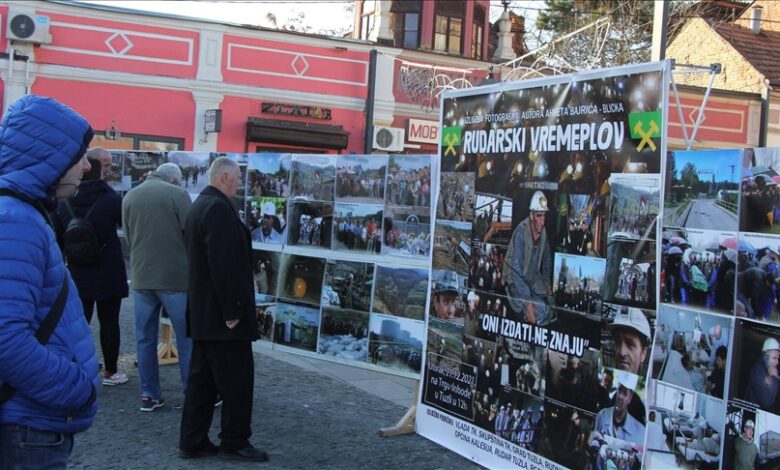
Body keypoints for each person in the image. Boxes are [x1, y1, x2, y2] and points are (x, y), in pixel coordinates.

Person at [0, 95, 98, 468]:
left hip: (28, 422)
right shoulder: (16, 221)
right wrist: (75, 389)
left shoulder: (21, 214)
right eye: (79, 156)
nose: (86, 166)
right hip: (28, 426)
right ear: (49, 158)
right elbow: (6, 337)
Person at [179, 157, 267, 462]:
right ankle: (234, 440)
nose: (241, 182)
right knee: (237, 381)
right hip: (222, 318)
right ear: (225, 177)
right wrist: (233, 312)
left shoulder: (202, 205)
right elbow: (223, 266)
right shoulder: (217, 209)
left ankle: (193, 440)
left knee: (202, 381)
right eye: (239, 177)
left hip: (205, 313)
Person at [55, 147, 129, 386]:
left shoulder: (64, 201)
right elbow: (123, 223)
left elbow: (58, 236)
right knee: (110, 321)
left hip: (77, 268)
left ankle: (78, 364)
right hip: (108, 268)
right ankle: (110, 371)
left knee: (79, 321)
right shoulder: (110, 199)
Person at [122, 162, 193, 412]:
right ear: (175, 180)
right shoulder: (178, 195)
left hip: (142, 277)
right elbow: (191, 234)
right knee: (186, 338)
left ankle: (149, 394)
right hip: (175, 277)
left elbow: (129, 237)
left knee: (144, 338)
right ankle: (192, 392)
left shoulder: (131, 195)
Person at [504, 191, 555, 326]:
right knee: (533, 308)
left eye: (544, 216)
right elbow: (515, 272)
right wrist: (528, 303)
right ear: (531, 215)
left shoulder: (543, 232)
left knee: (550, 303)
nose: (542, 222)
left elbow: (547, 260)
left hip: (531, 276)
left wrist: (546, 281)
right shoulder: (521, 232)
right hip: (515, 280)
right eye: (539, 216)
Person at [593, 371, 645, 446]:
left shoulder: (639, 432)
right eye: (619, 390)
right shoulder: (602, 415)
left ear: (630, 398)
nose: (620, 397)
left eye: (625, 393)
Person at [744, 337, 780, 411]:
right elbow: (766, 402)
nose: (777, 363)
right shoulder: (758, 371)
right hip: (756, 417)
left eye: (778, 358)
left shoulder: (767, 369)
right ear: (765, 357)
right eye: (774, 358)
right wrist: (774, 378)